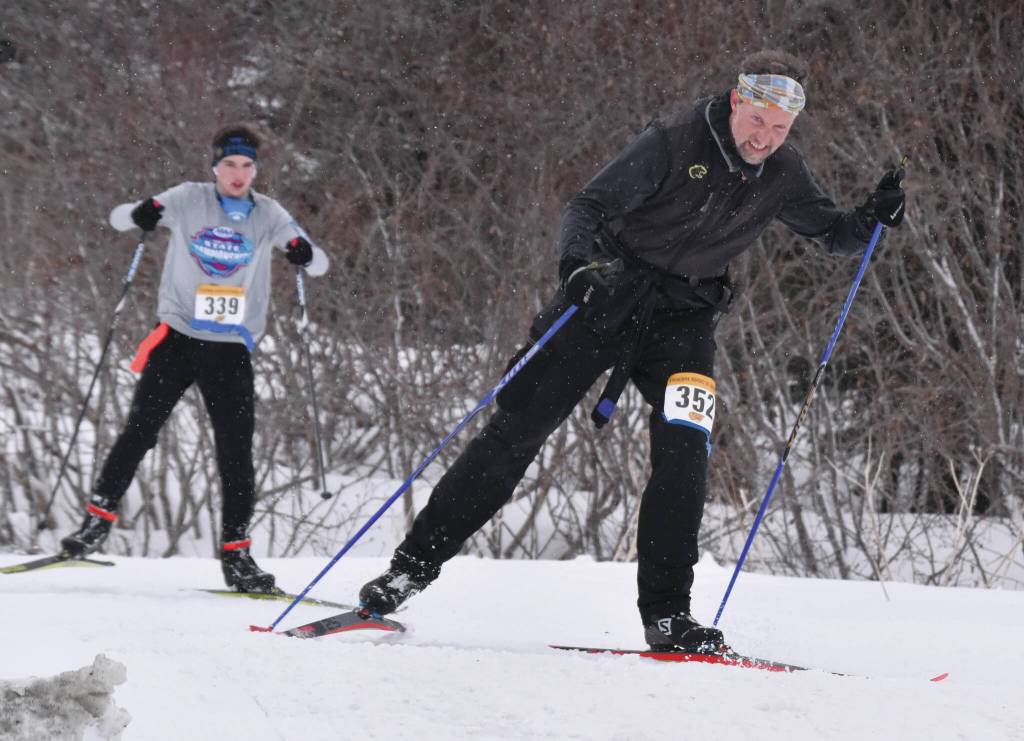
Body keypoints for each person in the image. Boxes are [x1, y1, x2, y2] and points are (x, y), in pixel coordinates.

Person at [358, 49, 905, 650]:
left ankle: (668, 615)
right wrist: (576, 268)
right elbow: (586, 207)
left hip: (686, 318)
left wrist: (872, 219)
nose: (764, 139)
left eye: (779, 129)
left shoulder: (784, 172)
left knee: (685, 451)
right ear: (737, 100)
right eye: (758, 121)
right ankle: (409, 568)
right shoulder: (674, 140)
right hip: (607, 297)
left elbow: (835, 237)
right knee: (517, 431)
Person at [59, 126, 329, 593]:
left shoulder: (268, 214)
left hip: (229, 350)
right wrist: (141, 212)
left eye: (247, 166)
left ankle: (237, 557)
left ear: (256, 170)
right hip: (178, 339)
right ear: (215, 166)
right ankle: (95, 525)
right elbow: (122, 218)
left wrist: (303, 252)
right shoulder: (188, 198)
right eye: (230, 165)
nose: (238, 174)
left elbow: (316, 262)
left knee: (236, 453)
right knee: (140, 432)